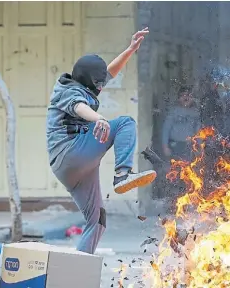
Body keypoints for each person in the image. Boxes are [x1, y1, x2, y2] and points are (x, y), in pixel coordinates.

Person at [46, 28, 156, 254]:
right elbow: (79, 107)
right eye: (97, 82)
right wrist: (99, 118)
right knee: (125, 123)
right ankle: (122, 174)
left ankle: (78, 273)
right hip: (72, 152)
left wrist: (130, 49)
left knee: (97, 220)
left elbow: (110, 73)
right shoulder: (68, 90)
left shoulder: (83, 82)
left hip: (71, 169)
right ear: (87, 80)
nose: (101, 87)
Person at [161, 86, 201, 161]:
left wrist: (199, 146)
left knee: (188, 170)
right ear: (179, 98)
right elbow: (166, 129)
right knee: (175, 168)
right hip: (175, 145)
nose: (186, 98)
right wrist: (165, 146)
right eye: (184, 95)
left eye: (189, 96)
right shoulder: (173, 111)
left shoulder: (195, 112)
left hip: (190, 146)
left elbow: (198, 130)